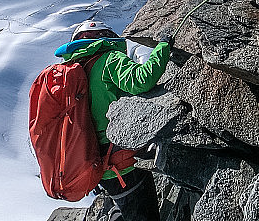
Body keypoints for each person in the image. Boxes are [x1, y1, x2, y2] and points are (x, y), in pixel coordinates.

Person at [55, 20, 174, 221]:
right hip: (122, 162)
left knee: (123, 208)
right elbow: (142, 80)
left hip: (92, 161)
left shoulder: (73, 70)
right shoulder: (109, 59)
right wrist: (163, 47)